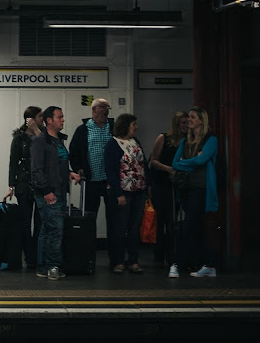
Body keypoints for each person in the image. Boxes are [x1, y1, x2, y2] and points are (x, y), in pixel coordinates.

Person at [31, 106, 80, 280]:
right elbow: (37, 170)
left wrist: (69, 173)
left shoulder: (58, 140)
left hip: (58, 190)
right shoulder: (40, 141)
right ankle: (53, 266)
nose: (63, 120)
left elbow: (57, 166)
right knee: (55, 230)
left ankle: (43, 266)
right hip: (49, 192)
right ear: (49, 120)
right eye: (59, 117)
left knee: (47, 229)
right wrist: (46, 191)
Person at [170, 106, 219, 278]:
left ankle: (176, 263)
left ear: (201, 120)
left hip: (201, 188)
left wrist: (187, 162)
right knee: (197, 227)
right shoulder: (185, 141)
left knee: (189, 225)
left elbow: (202, 160)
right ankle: (209, 265)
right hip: (186, 188)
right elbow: (175, 163)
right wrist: (192, 161)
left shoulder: (211, 140)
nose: (189, 119)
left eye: (192, 117)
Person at [68, 98, 115, 263]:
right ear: (94, 111)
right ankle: (88, 254)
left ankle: (115, 257)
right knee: (89, 217)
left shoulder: (113, 128)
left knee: (114, 219)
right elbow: (73, 152)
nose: (105, 114)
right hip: (91, 181)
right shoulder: (83, 130)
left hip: (111, 181)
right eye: (102, 111)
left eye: (107, 111)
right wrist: (78, 168)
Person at [104, 113, 149, 275]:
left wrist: (146, 186)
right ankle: (118, 261)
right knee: (120, 227)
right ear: (125, 126)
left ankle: (133, 260)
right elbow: (110, 171)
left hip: (138, 191)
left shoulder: (135, 142)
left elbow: (143, 164)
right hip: (122, 192)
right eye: (133, 124)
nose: (136, 127)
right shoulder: (112, 144)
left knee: (134, 228)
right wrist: (118, 193)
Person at [2, 106, 43, 269]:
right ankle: (29, 257)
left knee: (40, 223)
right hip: (24, 184)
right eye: (39, 116)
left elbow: (49, 149)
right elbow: (13, 162)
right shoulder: (19, 138)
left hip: (41, 185)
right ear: (30, 119)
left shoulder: (44, 135)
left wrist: (37, 131)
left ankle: (39, 255)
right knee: (26, 223)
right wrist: (11, 185)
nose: (42, 119)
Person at [149, 111, 188, 269]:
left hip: (176, 186)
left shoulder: (187, 142)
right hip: (161, 185)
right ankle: (159, 255)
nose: (186, 126)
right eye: (183, 123)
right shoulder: (163, 138)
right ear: (176, 124)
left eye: (187, 123)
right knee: (161, 221)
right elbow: (153, 161)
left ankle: (172, 255)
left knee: (173, 221)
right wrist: (169, 169)